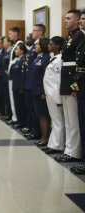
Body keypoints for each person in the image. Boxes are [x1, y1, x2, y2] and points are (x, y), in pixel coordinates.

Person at [54, 9, 83, 162]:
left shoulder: (80, 36)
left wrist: (75, 84)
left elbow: (79, 62)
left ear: (77, 20)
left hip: (72, 79)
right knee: (68, 118)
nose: (65, 21)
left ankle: (75, 151)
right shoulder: (69, 36)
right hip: (65, 77)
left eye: (68, 18)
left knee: (73, 118)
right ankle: (69, 148)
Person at [42, 36, 65, 154]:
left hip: (55, 95)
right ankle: (53, 143)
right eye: (49, 44)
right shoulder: (53, 58)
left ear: (58, 46)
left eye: (52, 44)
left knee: (58, 121)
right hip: (49, 94)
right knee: (55, 120)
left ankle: (57, 145)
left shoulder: (59, 60)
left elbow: (58, 80)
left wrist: (58, 98)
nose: (49, 45)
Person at [70, 10, 85, 174]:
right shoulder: (81, 38)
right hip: (82, 85)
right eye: (80, 18)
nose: (81, 21)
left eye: (83, 19)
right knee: (82, 125)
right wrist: (76, 86)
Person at [31, 38, 51, 146]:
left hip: (41, 91)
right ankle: (42, 136)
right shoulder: (37, 57)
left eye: (37, 45)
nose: (35, 47)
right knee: (40, 115)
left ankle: (46, 137)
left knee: (44, 115)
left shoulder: (46, 58)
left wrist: (44, 91)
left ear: (43, 46)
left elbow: (46, 76)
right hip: (35, 90)